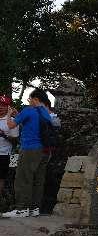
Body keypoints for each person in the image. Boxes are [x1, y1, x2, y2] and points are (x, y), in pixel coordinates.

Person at [2, 89, 52, 218]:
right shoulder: (45, 113)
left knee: (23, 178)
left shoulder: (28, 110)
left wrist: (9, 114)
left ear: (35, 99)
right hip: (44, 150)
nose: (29, 101)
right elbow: (31, 124)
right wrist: (19, 114)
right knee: (38, 180)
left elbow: (11, 125)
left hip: (29, 148)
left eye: (30, 99)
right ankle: (34, 208)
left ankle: (22, 209)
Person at [0, 95, 19, 201]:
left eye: (3, 105)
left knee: (1, 179)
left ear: (8, 107)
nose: (1, 107)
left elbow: (16, 140)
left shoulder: (12, 120)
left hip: (3, 154)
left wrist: (4, 135)